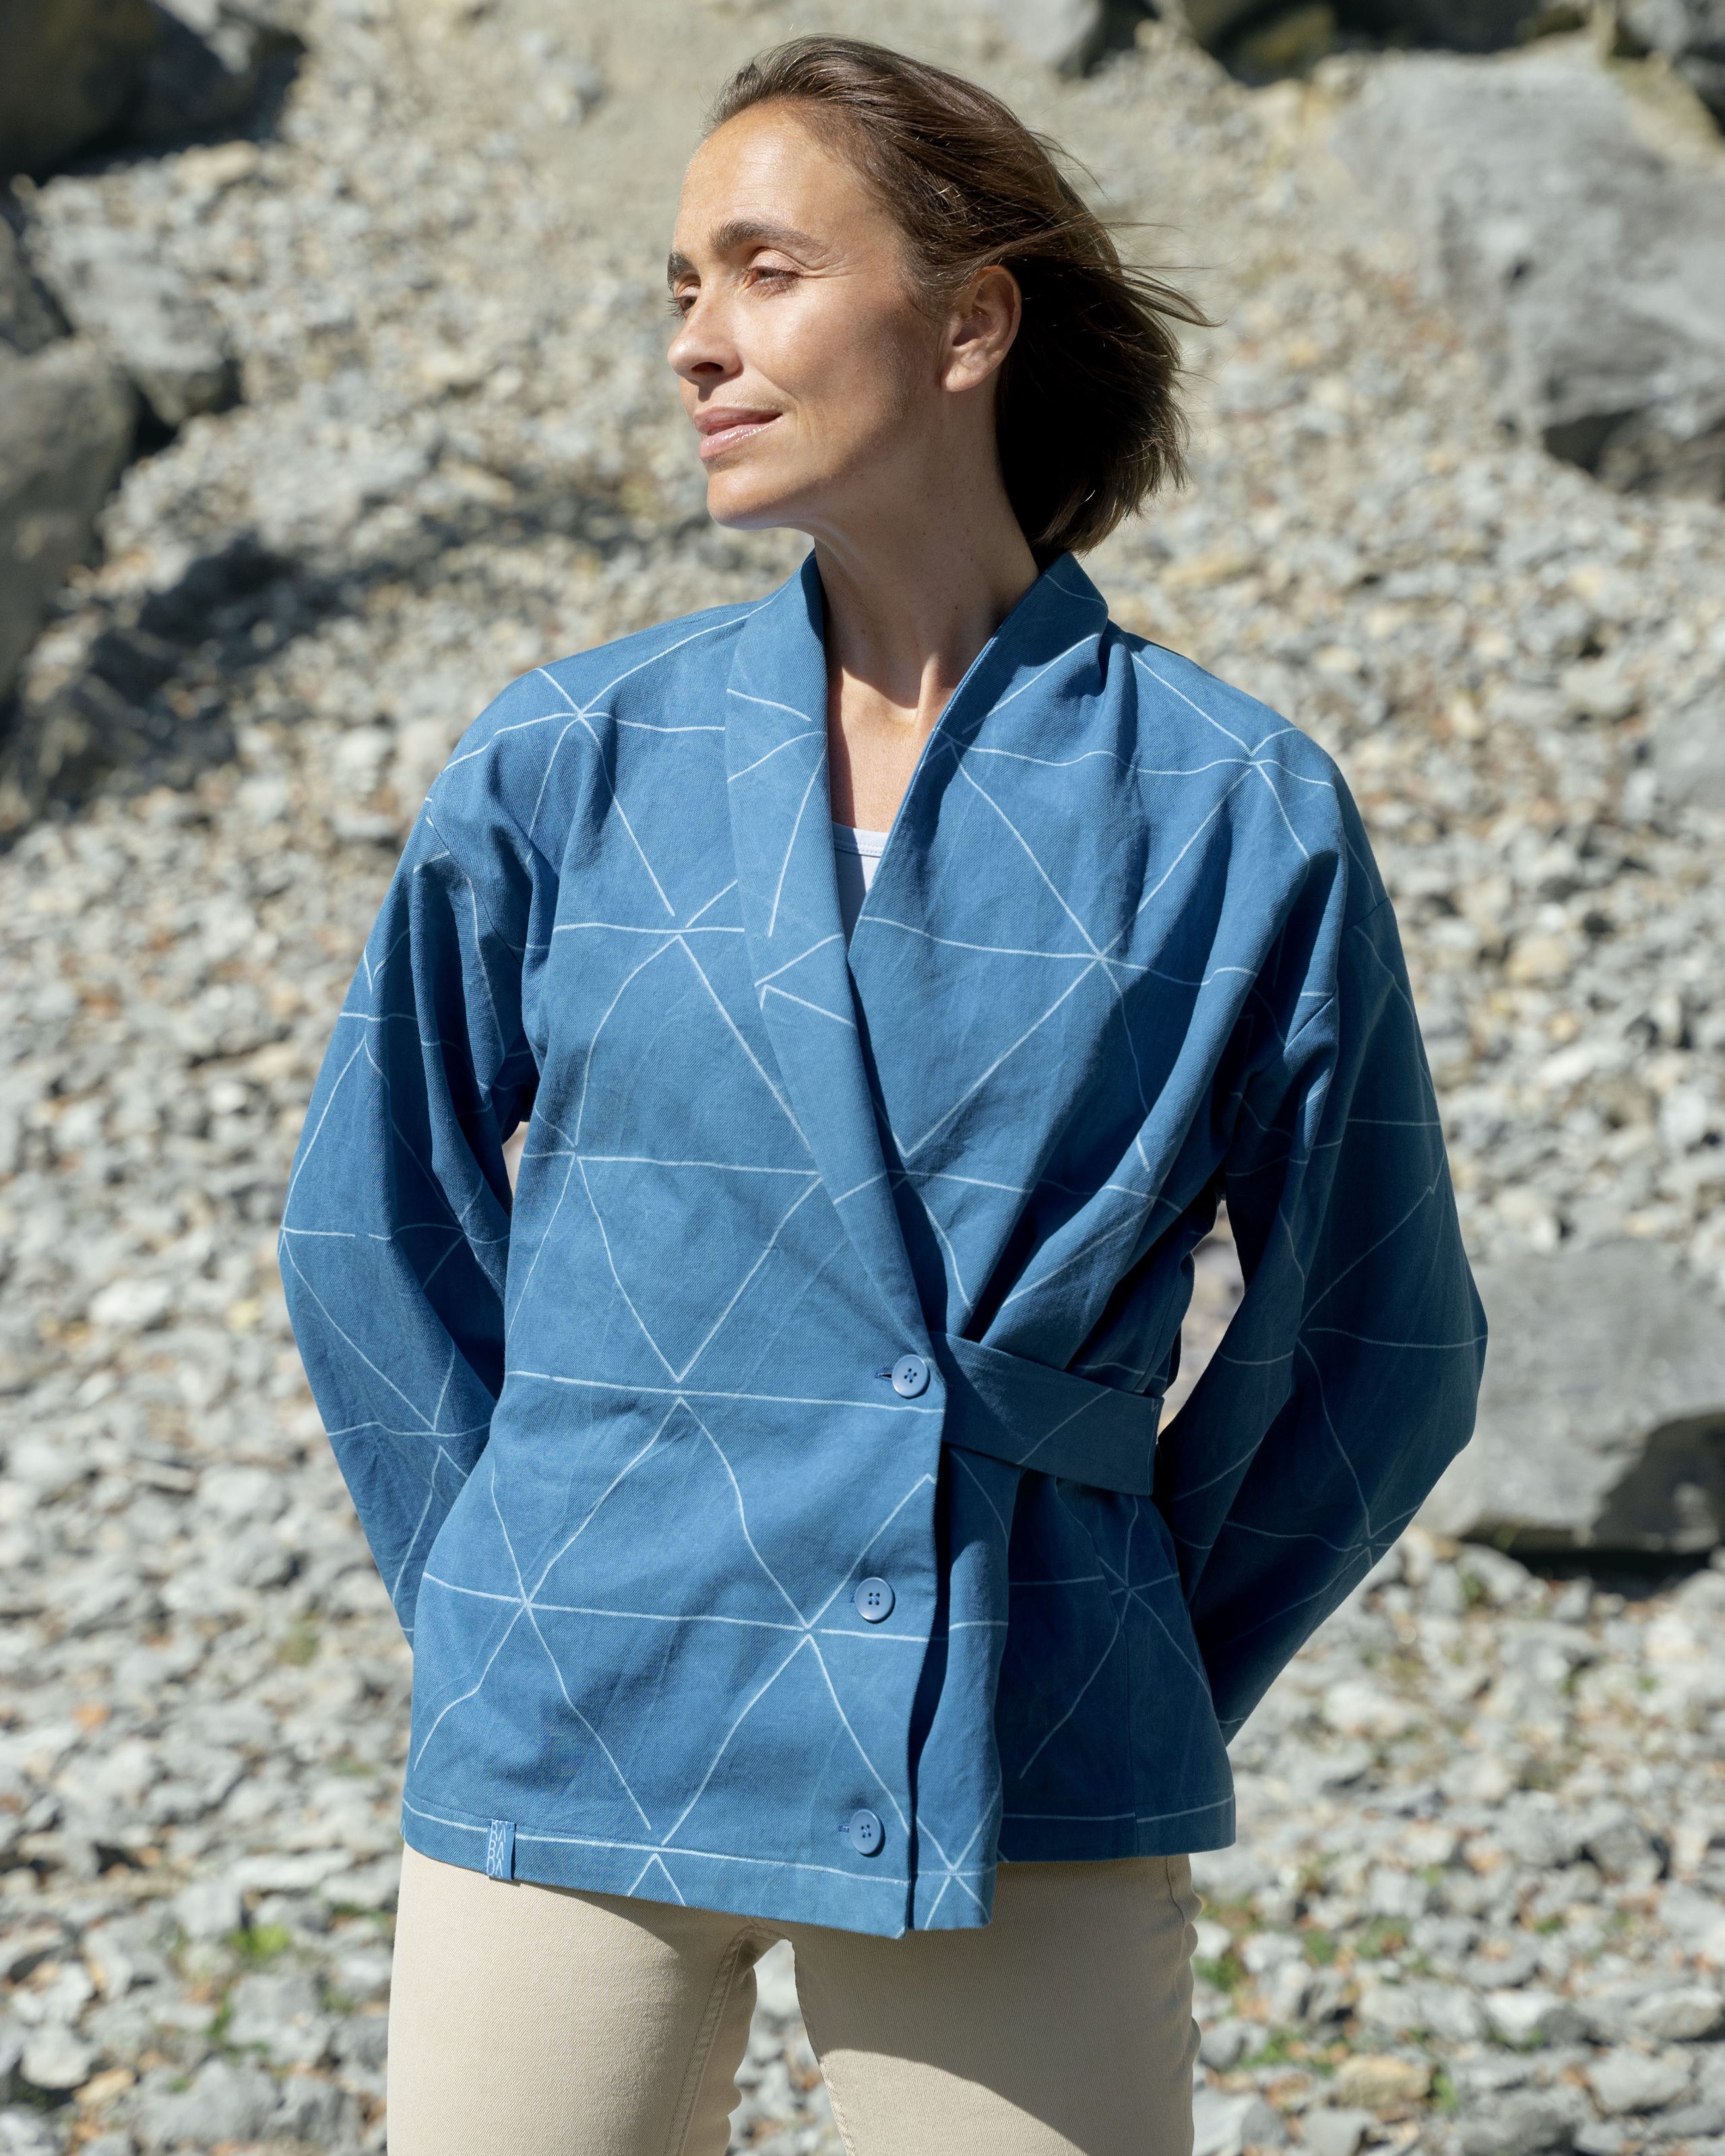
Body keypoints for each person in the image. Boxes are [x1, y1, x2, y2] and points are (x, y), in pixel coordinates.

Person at [278, 33, 1486, 2156]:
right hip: (577, 1711)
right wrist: (515, 1585)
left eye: (764, 271)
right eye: (680, 287)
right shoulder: (569, 757)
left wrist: (1115, 1625)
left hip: (1023, 1730)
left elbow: (1381, 1339)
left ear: (968, 323)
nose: (696, 341)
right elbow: (369, 1221)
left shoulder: (1234, 807)